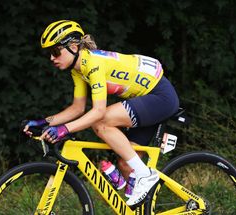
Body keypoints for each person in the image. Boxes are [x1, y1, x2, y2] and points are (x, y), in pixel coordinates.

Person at [23, 20, 179, 206]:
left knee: (101, 123)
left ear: (73, 47)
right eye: (49, 53)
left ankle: (146, 175)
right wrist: (45, 122)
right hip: (146, 99)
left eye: (55, 51)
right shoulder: (78, 69)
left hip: (159, 96)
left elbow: (98, 112)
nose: (51, 58)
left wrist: (64, 129)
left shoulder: (93, 63)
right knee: (126, 164)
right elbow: (77, 108)